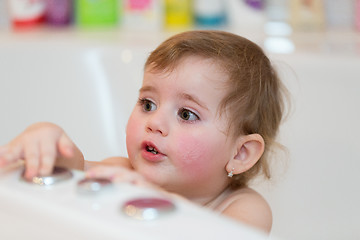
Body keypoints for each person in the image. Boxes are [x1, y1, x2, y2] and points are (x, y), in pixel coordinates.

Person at [0, 30, 287, 234]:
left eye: (186, 114)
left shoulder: (244, 208)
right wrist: (49, 141)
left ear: (240, 153)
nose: (155, 122)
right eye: (148, 104)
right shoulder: (123, 171)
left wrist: (160, 202)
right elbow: (69, 171)